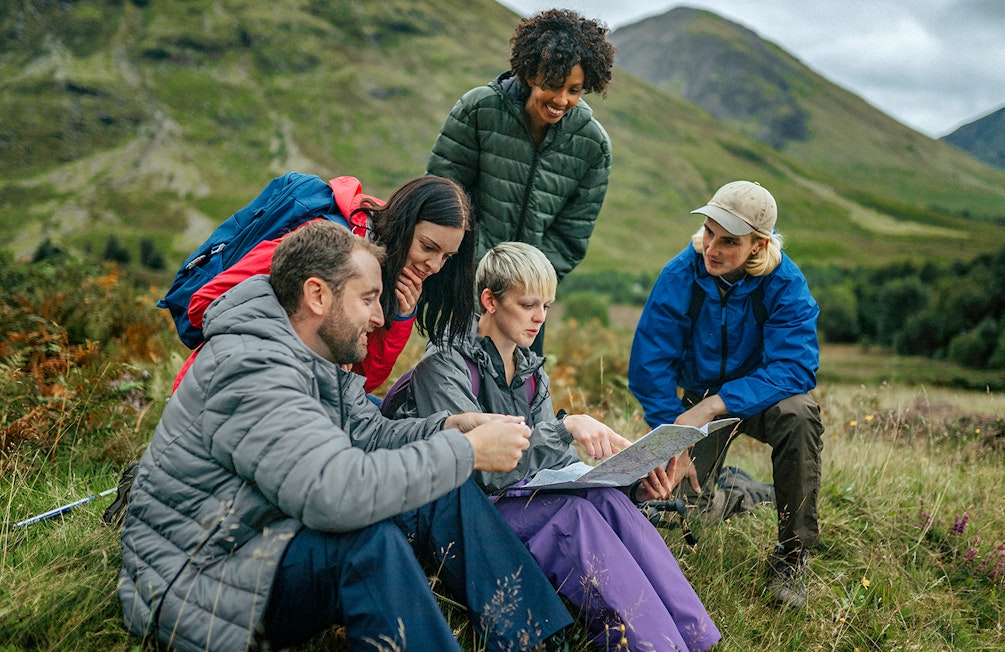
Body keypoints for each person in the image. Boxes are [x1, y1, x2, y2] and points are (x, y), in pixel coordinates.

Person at [118, 221, 573, 651]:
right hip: (206, 581)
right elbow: (334, 494)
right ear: (317, 295)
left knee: (443, 482)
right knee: (369, 545)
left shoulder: (311, 357)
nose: (380, 317)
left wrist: (448, 427)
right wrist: (465, 450)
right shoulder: (251, 368)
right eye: (368, 298)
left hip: (272, 532)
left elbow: (370, 433)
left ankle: (531, 636)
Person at [394, 242, 722, 651]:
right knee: (574, 515)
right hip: (472, 515)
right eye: (529, 304)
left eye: (546, 306)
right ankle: (650, 646)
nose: (539, 318)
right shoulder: (444, 364)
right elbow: (478, 466)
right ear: (489, 301)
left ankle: (693, 636)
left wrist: (630, 483)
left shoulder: (531, 371)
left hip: (519, 499)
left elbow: (558, 464)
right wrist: (566, 427)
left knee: (608, 502)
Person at [628, 180, 824, 609]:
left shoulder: (786, 283)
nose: (712, 247)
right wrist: (673, 437)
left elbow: (795, 367)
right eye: (709, 231)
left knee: (800, 414)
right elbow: (650, 363)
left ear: (759, 245)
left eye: (729, 241)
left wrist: (716, 404)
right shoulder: (682, 272)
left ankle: (792, 555)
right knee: (679, 517)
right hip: (696, 402)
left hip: (760, 397)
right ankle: (745, 493)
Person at [173, 175, 475, 392]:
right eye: (428, 247)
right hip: (226, 385)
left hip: (296, 398)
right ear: (405, 223)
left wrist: (401, 318)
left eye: (447, 256)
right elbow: (206, 303)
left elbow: (363, 381)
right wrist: (305, 345)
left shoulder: (395, 274)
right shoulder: (326, 240)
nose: (435, 266)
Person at [427, 8, 615, 353]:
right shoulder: (479, 110)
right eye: (553, 85)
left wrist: (526, 285)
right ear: (530, 72)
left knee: (517, 394)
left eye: (574, 90)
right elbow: (443, 196)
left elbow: (572, 234)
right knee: (453, 382)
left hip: (527, 301)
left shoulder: (593, 145)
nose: (562, 100)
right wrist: (480, 272)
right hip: (465, 286)